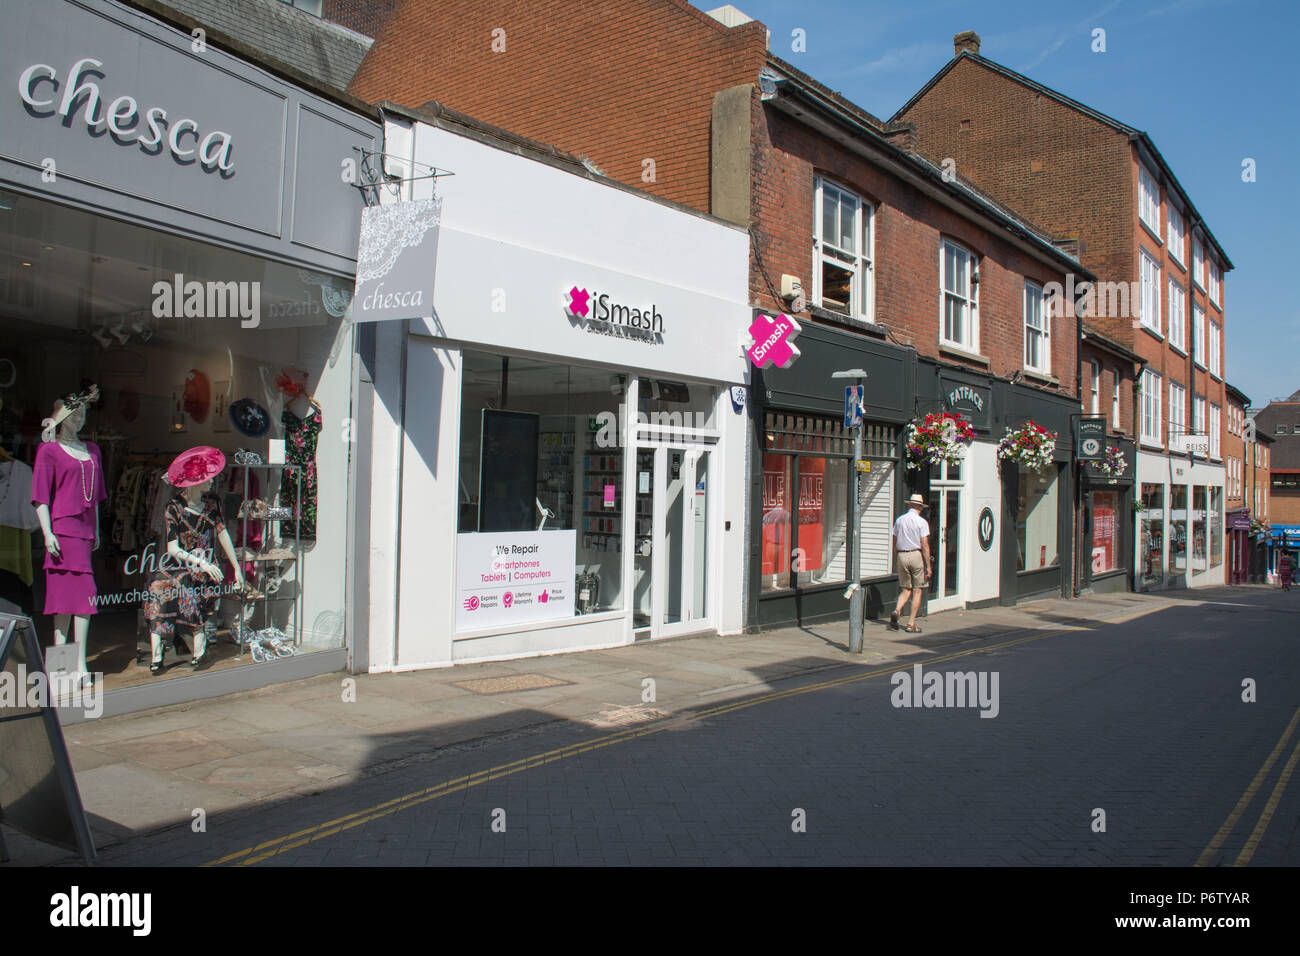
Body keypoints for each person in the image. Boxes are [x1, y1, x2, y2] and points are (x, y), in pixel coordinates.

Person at [889, 493, 932, 633]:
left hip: (902, 555)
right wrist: (928, 566)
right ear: (920, 507)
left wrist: (896, 557)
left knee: (905, 589)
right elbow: (924, 544)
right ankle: (911, 624)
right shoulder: (921, 522)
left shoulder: (900, 520)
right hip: (915, 554)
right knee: (917, 590)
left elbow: (894, 540)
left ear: (909, 505)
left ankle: (896, 610)